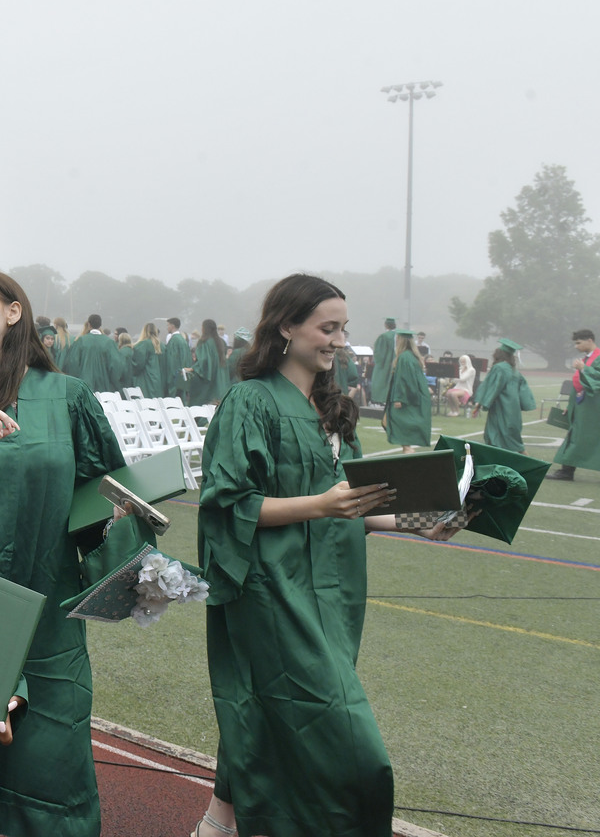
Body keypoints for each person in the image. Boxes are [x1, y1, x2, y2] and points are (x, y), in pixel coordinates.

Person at [193, 274, 465, 837]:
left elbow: (354, 508)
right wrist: (319, 504)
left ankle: (219, 823)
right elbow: (229, 507)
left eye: (343, 328)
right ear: (287, 327)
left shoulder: (333, 409)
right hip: (271, 592)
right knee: (349, 745)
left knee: (270, 718)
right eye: (328, 327)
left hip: (334, 596)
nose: (339, 340)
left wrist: (421, 524)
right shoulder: (250, 402)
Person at [0, 269, 124, 837]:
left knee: (54, 778)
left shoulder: (67, 397)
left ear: (13, 311)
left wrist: (121, 529)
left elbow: (105, 496)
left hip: (49, 620)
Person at [549, 329, 600, 481]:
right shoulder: (588, 358)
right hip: (583, 406)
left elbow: (599, 379)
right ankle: (567, 470)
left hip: (594, 409)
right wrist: (571, 405)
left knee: (586, 439)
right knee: (577, 437)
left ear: (590, 340)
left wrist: (583, 369)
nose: (576, 346)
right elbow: (580, 385)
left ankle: (566, 471)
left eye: (579, 343)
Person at [472, 340, 525, 453]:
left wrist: (479, 403)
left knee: (496, 436)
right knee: (512, 439)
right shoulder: (514, 370)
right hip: (513, 409)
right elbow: (523, 391)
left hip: (500, 408)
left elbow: (491, 387)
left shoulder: (499, 368)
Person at [383, 330, 431, 453]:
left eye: (398, 338)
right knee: (386, 421)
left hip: (406, 397)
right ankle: (406, 447)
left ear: (401, 341)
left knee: (390, 421)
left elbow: (406, 380)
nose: (396, 341)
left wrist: (400, 398)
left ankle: (407, 448)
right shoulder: (409, 356)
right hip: (411, 395)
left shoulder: (405, 357)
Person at [63, 314, 121, 394]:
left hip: (85, 384)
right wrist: (114, 383)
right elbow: (115, 364)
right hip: (104, 384)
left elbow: (73, 362)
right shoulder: (109, 343)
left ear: (89, 324)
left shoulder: (81, 341)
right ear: (100, 325)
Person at [188, 318, 229, 406]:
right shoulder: (221, 342)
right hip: (220, 375)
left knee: (203, 402)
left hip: (207, 378)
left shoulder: (204, 342)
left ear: (204, 328)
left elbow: (204, 361)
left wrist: (193, 368)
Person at [131, 322, 165, 397]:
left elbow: (138, 364)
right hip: (159, 379)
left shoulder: (142, 345)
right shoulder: (162, 346)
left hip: (145, 379)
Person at [161, 317, 191, 400]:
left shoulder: (174, 340)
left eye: (168, 325)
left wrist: (170, 377)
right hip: (183, 375)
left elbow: (172, 361)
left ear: (172, 326)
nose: (167, 327)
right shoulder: (183, 340)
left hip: (175, 376)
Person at [369, 317, 397, 404]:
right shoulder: (399, 335)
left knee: (382, 381)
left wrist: (379, 362)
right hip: (396, 363)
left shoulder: (384, 336)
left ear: (385, 325)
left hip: (386, 364)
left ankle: (382, 400)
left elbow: (379, 354)